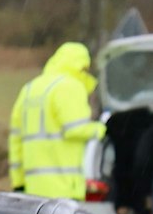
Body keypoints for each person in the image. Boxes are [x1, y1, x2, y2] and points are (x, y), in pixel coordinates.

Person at [8, 42, 106, 199]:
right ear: (81, 65)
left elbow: (16, 141)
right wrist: (101, 129)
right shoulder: (70, 86)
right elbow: (75, 129)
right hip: (63, 188)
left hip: (32, 188)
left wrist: (18, 182)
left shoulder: (29, 89)